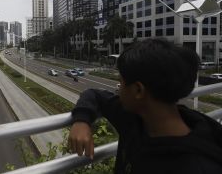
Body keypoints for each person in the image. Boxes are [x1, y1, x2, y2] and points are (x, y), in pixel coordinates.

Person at [68, 38, 222, 174]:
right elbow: (94, 94)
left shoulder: (198, 167)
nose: (117, 89)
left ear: (138, 90)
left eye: (120, 83)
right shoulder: (135, 117)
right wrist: (81, 120)